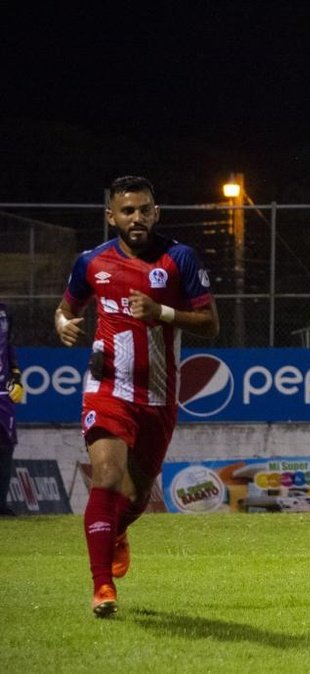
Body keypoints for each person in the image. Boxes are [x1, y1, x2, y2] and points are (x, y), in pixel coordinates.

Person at [54, 176, 219, 617]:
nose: (137, 218)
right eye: (127, 211)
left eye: (144, 209)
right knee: (106, 476)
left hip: (160, 395)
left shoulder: (179, 258)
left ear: (156, 212)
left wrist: (162, 311)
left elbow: (210, 322)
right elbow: (67, 308)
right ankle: (102, 586)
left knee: (138, 495)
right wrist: (61, 323)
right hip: (107, 388)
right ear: (112, 216)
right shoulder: (91, 262)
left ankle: (118, 532)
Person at [0, 302, 24, 517]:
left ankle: (1, 504)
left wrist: (16, 377)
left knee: (6, 446)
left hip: (2, 392)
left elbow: (8, 345)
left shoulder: (5, 312)